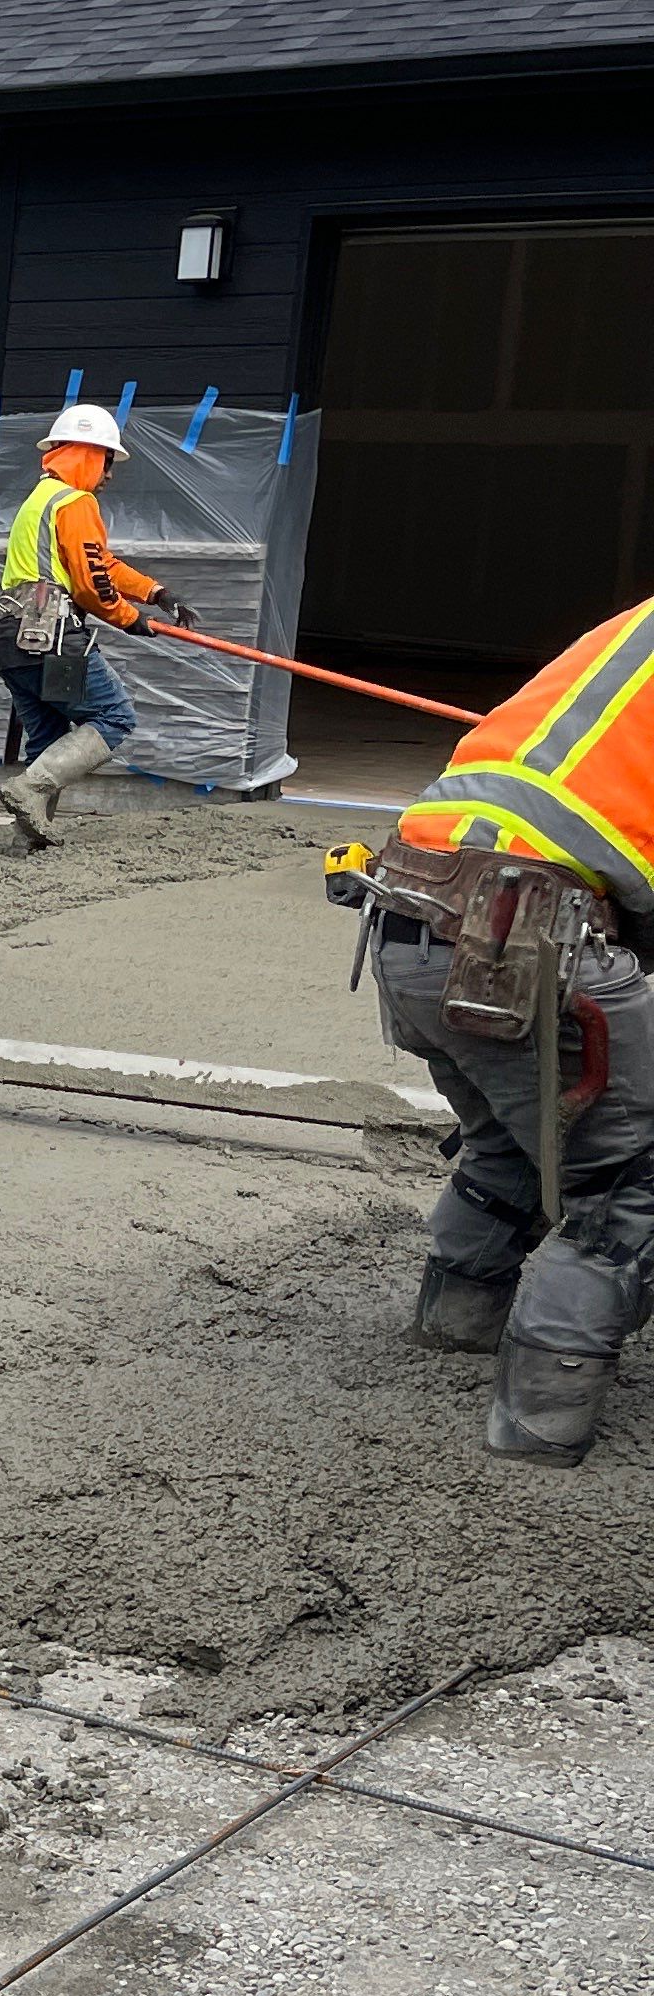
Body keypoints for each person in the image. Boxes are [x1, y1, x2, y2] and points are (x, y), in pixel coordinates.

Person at [370, 597, 654, 1463]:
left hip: (408, 921)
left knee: (511, 1141)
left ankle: (456, 1323)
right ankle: (538, 1430)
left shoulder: (632, 629)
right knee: (626, 1184)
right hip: (532, 937)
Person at [0, 403, 196, 845]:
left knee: (46, 737)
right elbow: (89, 584)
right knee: (115, 716)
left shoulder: (39, 500)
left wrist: (156, 593)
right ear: (86, 454)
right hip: (52, 637)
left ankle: (32, 835)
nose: (109, 475)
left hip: (12, 640)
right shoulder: (75, 502)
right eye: (106, 461)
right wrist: (129, 618)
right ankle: (30, 789)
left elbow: (101, 565)